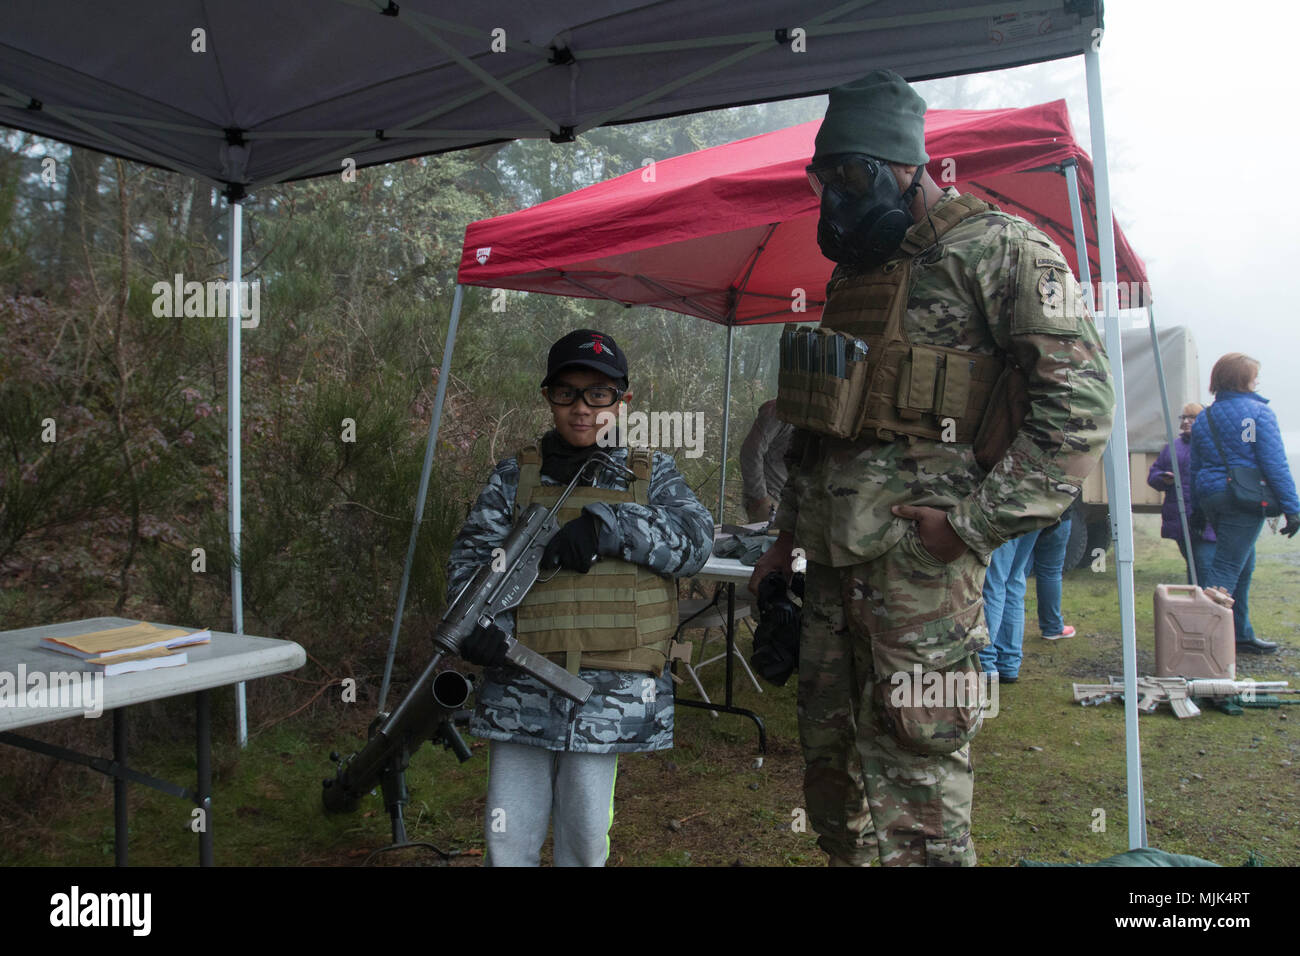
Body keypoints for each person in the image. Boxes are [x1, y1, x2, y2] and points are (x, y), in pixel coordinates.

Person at [749, 70, 1114, 867]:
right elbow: (820, 427)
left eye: (855, 175)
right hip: (830, 573)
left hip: (921, 576)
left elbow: (1080, 410)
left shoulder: (1004, 250)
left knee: (921, 798)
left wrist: (972, 527)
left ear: (908, 167)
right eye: (826, 177)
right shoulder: (855, 274)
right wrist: (784, 540)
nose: (837, 198)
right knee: (833, 789)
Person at [448, 328, 713, 865]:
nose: (583, 409)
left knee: (587, 836)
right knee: (507, 837)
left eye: (599, 395)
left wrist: (611, 527)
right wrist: (474, 627)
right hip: (520, 679)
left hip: (607, 690)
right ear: (548, 395)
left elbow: (696, 540)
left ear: (623, 400)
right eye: (567, 393)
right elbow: (471, 562)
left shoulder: (649, 473)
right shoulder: (513, 477)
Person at [1190, 354, 1299, 654]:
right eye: (1254, 376)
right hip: (1243, 498)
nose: (1258, 381)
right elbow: (1274, 463)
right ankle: (1201, 643)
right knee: (1226, 567)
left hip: (1212, 497)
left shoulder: (1204, 417)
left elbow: (1194, 466)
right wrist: (1293, 507)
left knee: (1242, 564)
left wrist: (1196, 508)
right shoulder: (1260, 414)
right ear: (1242, 380)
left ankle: (1239, 633)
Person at [1147, 402, 1215, 585]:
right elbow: (1153, 475)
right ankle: (1197, 606)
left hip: (1205, 521)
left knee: (1203, 567)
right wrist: (1163, 478)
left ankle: (1208, 608)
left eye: (1191, 417)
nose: (1186, 421)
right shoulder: (1172, 447)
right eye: (1183, 417)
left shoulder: (1212, 446)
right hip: (1179, 519)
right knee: (1193, 565)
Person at [979, 530, 1042, 682]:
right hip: (1035, 511)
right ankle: (1008, 663)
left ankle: (984, 662)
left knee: (993, 582)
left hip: (1005, 512)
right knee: (1014, 580)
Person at [740, 399, 794, 522]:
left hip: (791, 499)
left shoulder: (815, 416)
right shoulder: (777, 410)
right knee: (766, 539)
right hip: (770, 497)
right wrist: (761, 499)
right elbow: (751, 452)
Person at [1033, 512, 1075, 639]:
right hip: (1060, 514)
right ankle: (1052, 627)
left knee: (1013, 578)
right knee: (1050, 572)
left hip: (1027, 515)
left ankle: (1003, 638)